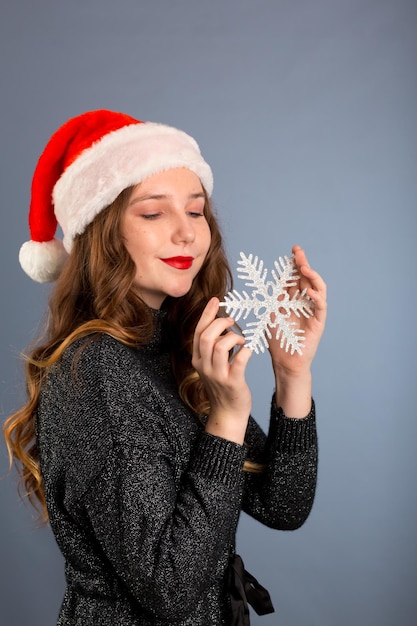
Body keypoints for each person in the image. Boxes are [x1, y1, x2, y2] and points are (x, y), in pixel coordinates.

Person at [4, 109, 327, 626]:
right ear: (105, 233)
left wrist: (292, 375)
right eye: (153, 214)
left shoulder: (177, 348)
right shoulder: (95, 373)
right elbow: (170, 588)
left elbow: (282, 504)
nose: (185, 233)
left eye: (196, 211)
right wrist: (224, 418)